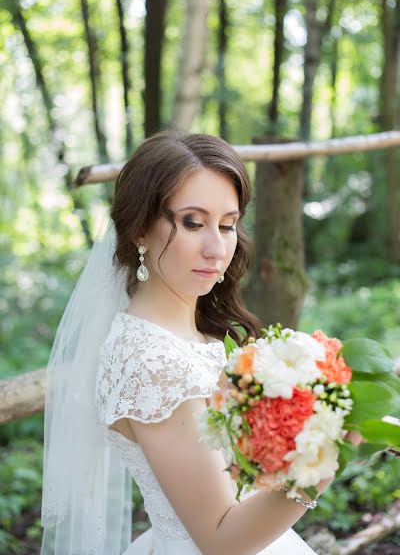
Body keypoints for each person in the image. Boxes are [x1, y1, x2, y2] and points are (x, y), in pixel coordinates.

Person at [40, 130, 330, 555]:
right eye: (193, 222)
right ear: (139, 229)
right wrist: (318, 460)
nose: (217, 248)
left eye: (228, 225)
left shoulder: (197, 335)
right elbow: (221, 540)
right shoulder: (152, 362)